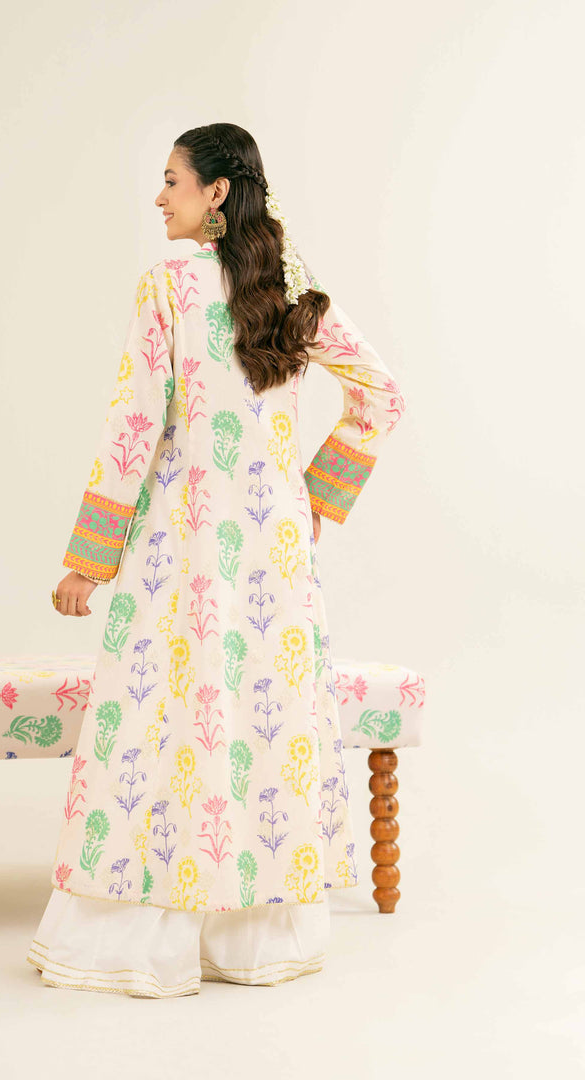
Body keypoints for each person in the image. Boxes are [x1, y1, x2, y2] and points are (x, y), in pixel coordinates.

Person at [27, 123, 407, 998]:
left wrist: (89, 563)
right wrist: (316, 500)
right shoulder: (292, 289)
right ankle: (254, 943)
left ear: (217, 193)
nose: (160, 196)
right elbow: (382, 397)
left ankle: (137, 941)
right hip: (276, 553)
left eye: (172, 180)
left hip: (182, 547)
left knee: (158, 729)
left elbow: (133, 429)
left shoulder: (168, 287)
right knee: (260, 727)